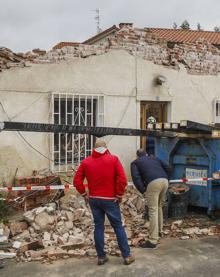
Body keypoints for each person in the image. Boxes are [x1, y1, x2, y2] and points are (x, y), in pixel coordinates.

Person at [74, 140, 135, 265]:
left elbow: (77, 181)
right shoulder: (113, 159)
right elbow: (122, 179)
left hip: (94, 199)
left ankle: (101, 257)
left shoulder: (86, 162)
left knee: (98, 227)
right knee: (118, 226)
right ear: (106, 148)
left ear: (93, 149)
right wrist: (119, 194)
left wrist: (84, 194)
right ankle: (127, 256)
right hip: (110, 199)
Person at [130, 148, 171, 249]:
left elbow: (136, 178)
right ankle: (160, 231)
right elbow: (169, 168)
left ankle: (152, 240)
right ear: (146, 154)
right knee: (159, 206)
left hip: (153, 183)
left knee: (152, 210)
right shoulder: (154, 158)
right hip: (164, 181)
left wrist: (143, 190)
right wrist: (165, 178)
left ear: (137, 156)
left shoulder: (135, 163)